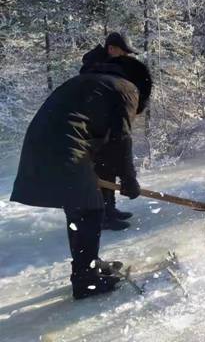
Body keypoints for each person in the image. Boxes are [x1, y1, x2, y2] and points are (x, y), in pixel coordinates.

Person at [10, 55, 152, 299]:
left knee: (80, 205)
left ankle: (89, 266)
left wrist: (106, 172)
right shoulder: (127, 88)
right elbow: (121, 139)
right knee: (90, 209)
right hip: (66, 147)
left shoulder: (92, 82)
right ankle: (86, 280)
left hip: (39, 143)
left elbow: (95, 133)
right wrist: (129, 179)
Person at [81, 32, 138, 231]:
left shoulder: (105, 67)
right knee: (101, 169)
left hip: (102, 127)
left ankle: (109, 209)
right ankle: (102, 216)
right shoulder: (96, 70)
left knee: (108, 166)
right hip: (92, 129)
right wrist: (129, 176)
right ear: (112, 49)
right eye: (124, 53)